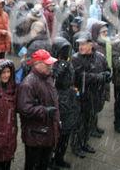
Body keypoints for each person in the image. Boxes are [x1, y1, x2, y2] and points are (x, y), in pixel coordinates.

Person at [17, 49, 60, 170]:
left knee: (43, 164)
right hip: (35, 136)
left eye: (50, 63)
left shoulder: (47, 77)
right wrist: (45, 111)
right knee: (33, 165)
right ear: (37, 64)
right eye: (47, 64)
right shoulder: (28, 83)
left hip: (46, 132)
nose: (51, 66)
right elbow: (24, 109)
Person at [71, 32, 110, 157]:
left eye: (83, 44)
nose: (80, 47)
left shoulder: (100, 57)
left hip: (95, 96)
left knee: (89, 122)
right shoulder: (75, 59)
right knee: (79, 123)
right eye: (79, 44)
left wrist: (108, 75)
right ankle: (76, 146)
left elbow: (107, 69)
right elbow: (80, 76)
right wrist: (98, 77)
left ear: (91, 44)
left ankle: (85, 143)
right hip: (81, 97)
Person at [49, 38, 79, 169]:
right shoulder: (52, 64)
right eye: (63, 51)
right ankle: (52, 160)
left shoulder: (69, 63)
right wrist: (59, 66)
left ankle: (60, 157)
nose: (66, 54)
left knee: (65, 133)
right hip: (58, 101)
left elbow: (72, 80)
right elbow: (54, 79)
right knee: (56, 134)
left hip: (69, 100)